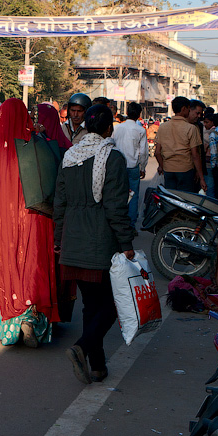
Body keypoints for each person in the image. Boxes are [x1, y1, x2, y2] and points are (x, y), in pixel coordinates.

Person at [54, 104, 136, 384]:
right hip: (99, 242)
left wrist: (58, 239)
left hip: (73, 240)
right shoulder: (112, 157)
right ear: (109, 128)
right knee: (113, 304)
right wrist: (126, 242)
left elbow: (60, 202)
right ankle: (82, 347)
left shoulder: (70, 156)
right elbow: (116, 207)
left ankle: (98, 367)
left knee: (91, 305)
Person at [0, 98, 59, 348]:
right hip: (34, 215)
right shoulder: (36, 142)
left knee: (6, 261)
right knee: (33, 262)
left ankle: (9, 328)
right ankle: (31, 318)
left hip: (3, 216)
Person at [154, 96, 206, 193]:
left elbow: (157, 152)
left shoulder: (162, 127)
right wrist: (201, 177)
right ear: (184, 109)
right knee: (184, 198)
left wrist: (163, 166)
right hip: (185, 170)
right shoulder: (191, 128)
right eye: (188, 109)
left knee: (171, 197)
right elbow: (195, 155)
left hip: (168, 170)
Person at [112, 101, 148, 224]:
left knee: (117, 193)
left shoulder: (117, 128)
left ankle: (118, 221)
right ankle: (131, 224)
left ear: (127, 112)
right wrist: (142, 167)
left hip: (118, 166)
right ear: (139, 114)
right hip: (133, 166)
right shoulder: (140, 130)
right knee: (133, 195)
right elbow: (143, 152)